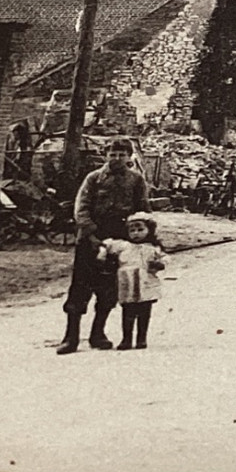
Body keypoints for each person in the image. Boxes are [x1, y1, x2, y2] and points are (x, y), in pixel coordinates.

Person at [56, 137, 150, 355]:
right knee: (80, 288)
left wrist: (143, 238)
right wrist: (91, 235)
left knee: (108, 291)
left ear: (129, 157)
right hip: (90, 240)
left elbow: (143, 210)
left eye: (122, 155)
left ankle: (98, 334)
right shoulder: (94, 178)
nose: (117, 159)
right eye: (113, 154)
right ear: (106, 156)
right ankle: (71, 338)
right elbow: (81, 209)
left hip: (119, 241)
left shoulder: (136, 180)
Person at [98, 211, 166, 351]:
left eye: (140, 230)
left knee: (144, 311)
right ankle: (126, 339)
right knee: (128, 311)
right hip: (127, 282)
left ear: (149, 230)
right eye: (132, 230)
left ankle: (142, 339)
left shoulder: (153, 248)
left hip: (145, 283)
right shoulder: (123, 245)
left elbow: (164, 258)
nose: (136, 233)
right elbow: (106, 244)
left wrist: (159, 264)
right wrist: (102, 254)